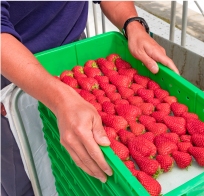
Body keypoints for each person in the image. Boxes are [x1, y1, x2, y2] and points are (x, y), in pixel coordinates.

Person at [1, 1, 179, 195]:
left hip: (75, 53)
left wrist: (133, 24)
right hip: (12, 74)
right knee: (26, 176)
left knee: (77, 176)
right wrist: (61, 98)